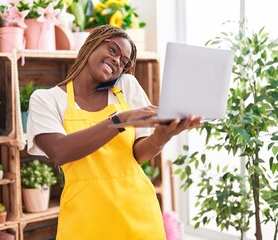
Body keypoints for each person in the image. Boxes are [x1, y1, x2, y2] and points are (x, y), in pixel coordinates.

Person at [27, 24, 203, 240]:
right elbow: (60, 151)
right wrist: (120, 120)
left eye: (125, 62)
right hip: (85, 220)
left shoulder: (127, 87)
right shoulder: (46, 99)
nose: (118, 61)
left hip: (138, 214)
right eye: (113, 50)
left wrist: (161, 137)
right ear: (91, 44)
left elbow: (138, 155)